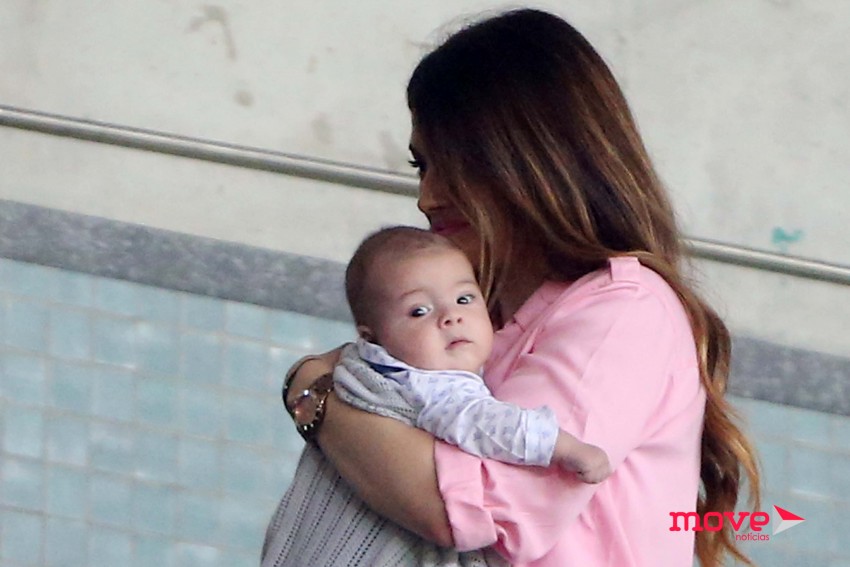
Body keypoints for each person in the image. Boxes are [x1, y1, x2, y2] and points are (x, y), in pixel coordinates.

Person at [263, 7, 761, 567]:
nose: (427, 197)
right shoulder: (479, 315)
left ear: (534, 159)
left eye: (455, 165)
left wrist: (314, 391)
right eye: (422, 167)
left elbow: (468, 508)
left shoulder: (624, 310)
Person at [334, 225, 611, 482]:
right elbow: (482, 421)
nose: (452, 316)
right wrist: (562, 447)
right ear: (372, 338)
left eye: (464, 299)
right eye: (419, 311)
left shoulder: (356, 366)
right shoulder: (429, 385)